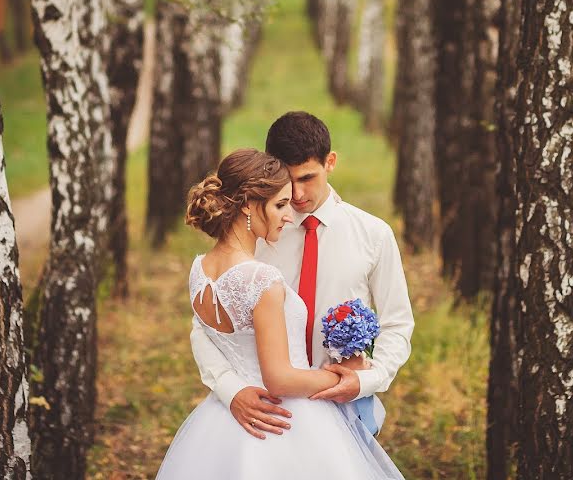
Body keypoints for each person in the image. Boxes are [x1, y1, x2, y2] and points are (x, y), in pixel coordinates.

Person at [155, 148, 403, 479]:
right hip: (285, 418)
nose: (289, 214)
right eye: (280, 205)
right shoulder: (262, 278)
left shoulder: (199, 267)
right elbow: (278, 378)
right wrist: (345, 376)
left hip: (222, 424)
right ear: (246, 203)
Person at [191, 111, 415, 437]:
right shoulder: (258, 235)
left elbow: (397, 324)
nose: (296, 195)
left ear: (330, 162)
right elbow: (207, 324)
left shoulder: (373, 235)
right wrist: (230, 388)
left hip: (343, 406)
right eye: (288, 180)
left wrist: (364, 381)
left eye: (307, 178)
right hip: (268, 411)